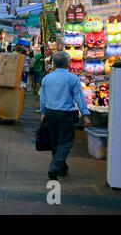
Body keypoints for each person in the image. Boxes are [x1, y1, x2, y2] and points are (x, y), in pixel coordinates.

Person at [40, 52, 91, 180]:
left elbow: (43, 98)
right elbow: (79, 98)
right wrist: (85, 114)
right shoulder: (72, 79)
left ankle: (62, 168)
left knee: (55, 141)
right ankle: (55, 168)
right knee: (65, 141)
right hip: (66, 114)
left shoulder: (47, 78)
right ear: (68, 63)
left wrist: (43, 112)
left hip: (50, 113)